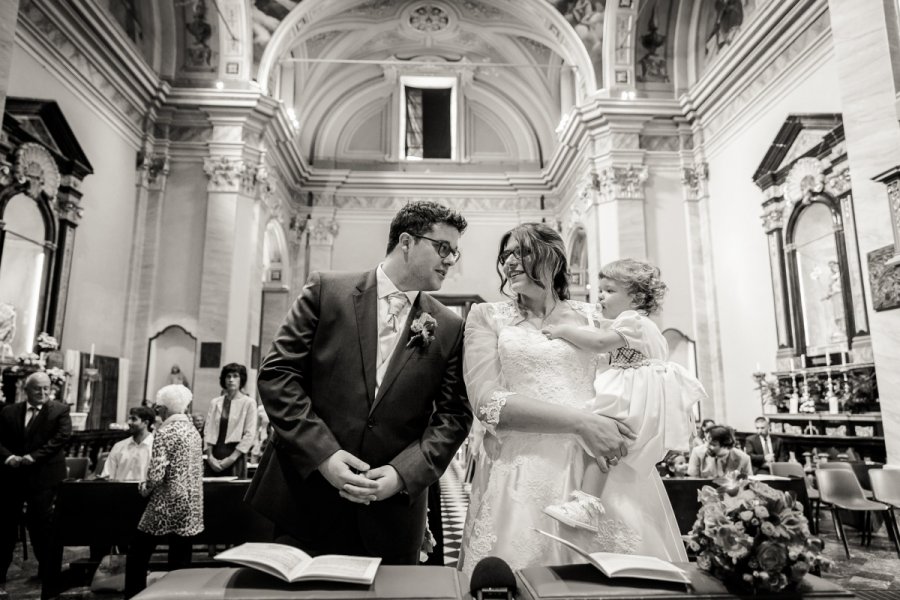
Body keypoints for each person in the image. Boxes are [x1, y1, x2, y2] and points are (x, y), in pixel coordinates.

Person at [246, 201, 473, 565]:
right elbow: (277, 375)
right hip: (306, 501)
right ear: (406, 242)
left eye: (454, 252)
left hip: (391, 514)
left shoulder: (448, 325)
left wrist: (402, 474)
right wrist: (324, 455)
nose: (450, 260)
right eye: (442, 247)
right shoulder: (327, 291)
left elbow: (453, 416)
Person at [458, 224, 638, 576]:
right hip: (525, 470)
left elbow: (628, 378)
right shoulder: (487, 317)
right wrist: (582, 423)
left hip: (597, 468)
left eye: (521, 253)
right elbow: (487, 402)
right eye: (506, 255)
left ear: (553, 258)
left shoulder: (594, 318)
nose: (510, 262)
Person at [539, 258, 704, 561]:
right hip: (642, 393)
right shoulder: (642, 326)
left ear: (637, 298)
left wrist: (563, 331)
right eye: (600, 290)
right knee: (606, 444)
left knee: (599, 437)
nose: (599, 296)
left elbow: (600, 343)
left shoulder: (633, 321)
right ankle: (587, 501)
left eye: (609, 290)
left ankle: (586, 504)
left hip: (633, 395)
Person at [124, 385, 203, 599]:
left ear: (165, 409)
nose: (158, 413)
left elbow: (157, 472)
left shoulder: (165, 432)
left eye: (159, 409)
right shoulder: (193, 432)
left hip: (166, 503)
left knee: (137, 554)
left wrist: (145, 488)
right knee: (180, 559)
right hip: (191, 503)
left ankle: (134, 595)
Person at [0, 371, 71, 595]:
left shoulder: (59, 410)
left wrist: (34, 457)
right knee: (5, 527)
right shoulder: (9, 411)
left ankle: (48, 573)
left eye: (46, 388)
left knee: (41, 525)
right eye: (37, 389)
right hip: (12, 477)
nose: (42, 393)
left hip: (44, 477)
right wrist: (8, 457)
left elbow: (61, 438)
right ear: (25, 389)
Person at [204, 363, 257, 478]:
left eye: (235, 376)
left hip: (235, 456)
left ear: (241, 379)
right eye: (228, 376)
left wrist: (230, 459)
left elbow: (249, 434)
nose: (231, 380)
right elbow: (208, 431)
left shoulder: (248, 403)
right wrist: (210, 457)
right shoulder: (215, 402)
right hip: (214, 455)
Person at [101, 406, 155, 481]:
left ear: (145, 423)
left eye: (133, 419)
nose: (129, 422)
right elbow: (108, 475)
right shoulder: (119, 446)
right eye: (129, 418)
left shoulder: (155, 447)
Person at [687, 425, 751, 478]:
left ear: (726, 445)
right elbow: (692, 482)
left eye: (712, 444)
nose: (706, 446)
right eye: (706, 441)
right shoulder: (697, 452)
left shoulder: (744, 458)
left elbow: (748, 486)